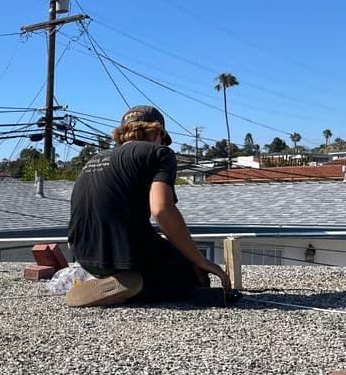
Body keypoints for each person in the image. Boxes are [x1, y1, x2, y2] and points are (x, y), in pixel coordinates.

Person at [66, 105, 231, 307]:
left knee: (165, 251)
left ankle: (111, 280)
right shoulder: (159, 153)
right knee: (190, 273)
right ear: (157, 133)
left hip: (84, 256)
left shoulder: (94, 159)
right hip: (123, 255)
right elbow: (162, 210)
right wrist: (199, 259)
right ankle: (136, 288)